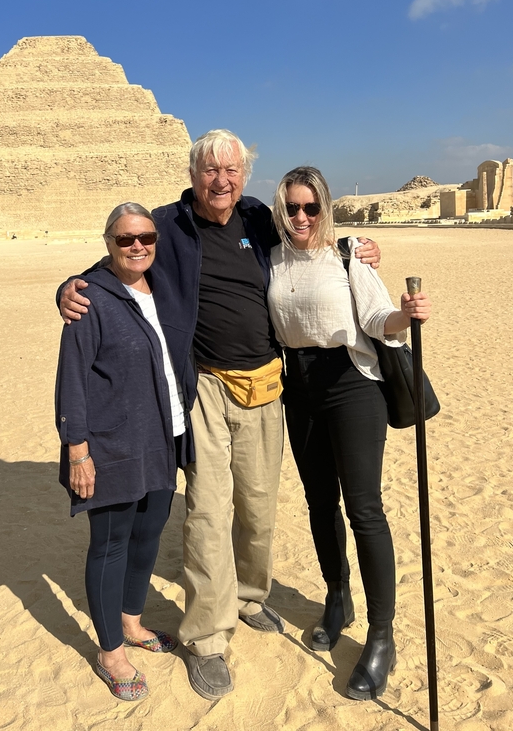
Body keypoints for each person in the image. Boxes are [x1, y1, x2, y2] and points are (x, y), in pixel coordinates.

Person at [59, 130, 381, 700]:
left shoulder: (260, 217)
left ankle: (250, 597)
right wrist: (69, 286)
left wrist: (359, 245)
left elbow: (313, 237)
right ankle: (206, 639)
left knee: (258, 507)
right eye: (210, 170)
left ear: (245, 175)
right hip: (206, 386)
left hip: (268, 385)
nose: (221, 180)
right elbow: (120, 254)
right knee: (207, 512)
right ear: (193, 173)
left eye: (231, 170)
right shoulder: (170, 223)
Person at [267, 166, 431, 700]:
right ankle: (338, 598)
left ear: (325, 207)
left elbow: (379, 314)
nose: (300, 218)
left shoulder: (347, 254)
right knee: (319, 502)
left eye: (310, 207)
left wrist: (406, 317)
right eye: (291, 207)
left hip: (351, 386)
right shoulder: (269, 256)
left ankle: (381, 636)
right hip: (300, 388)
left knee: (364, 508)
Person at [55, 202, 192, 702]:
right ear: (108, 244)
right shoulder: (91, 298)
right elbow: (72, 374)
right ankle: (110, 649)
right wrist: (77, 450)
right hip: (112, 443)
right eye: (125, 239)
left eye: (146, 238)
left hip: (164, 435)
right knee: (110, 543)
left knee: (148, 534)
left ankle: (131, 621)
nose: (138, 247)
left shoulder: (165, 289)